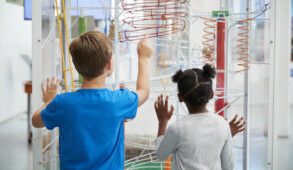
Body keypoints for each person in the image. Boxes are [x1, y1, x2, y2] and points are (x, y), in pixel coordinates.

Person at [32, 31, 153, 170]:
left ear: (77, 66)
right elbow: (144, 91)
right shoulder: (118, 101)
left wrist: (48, 101)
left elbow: (35, 121)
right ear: (109, 65)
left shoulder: (63, 103)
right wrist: (144, 57)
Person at [154, 64, 246, 170]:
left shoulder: (177, 128)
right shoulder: (223, 125)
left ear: (180, 97)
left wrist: (162, 121)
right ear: (212, 94)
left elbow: (161, 155)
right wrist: (226, 135)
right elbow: (229, 167)